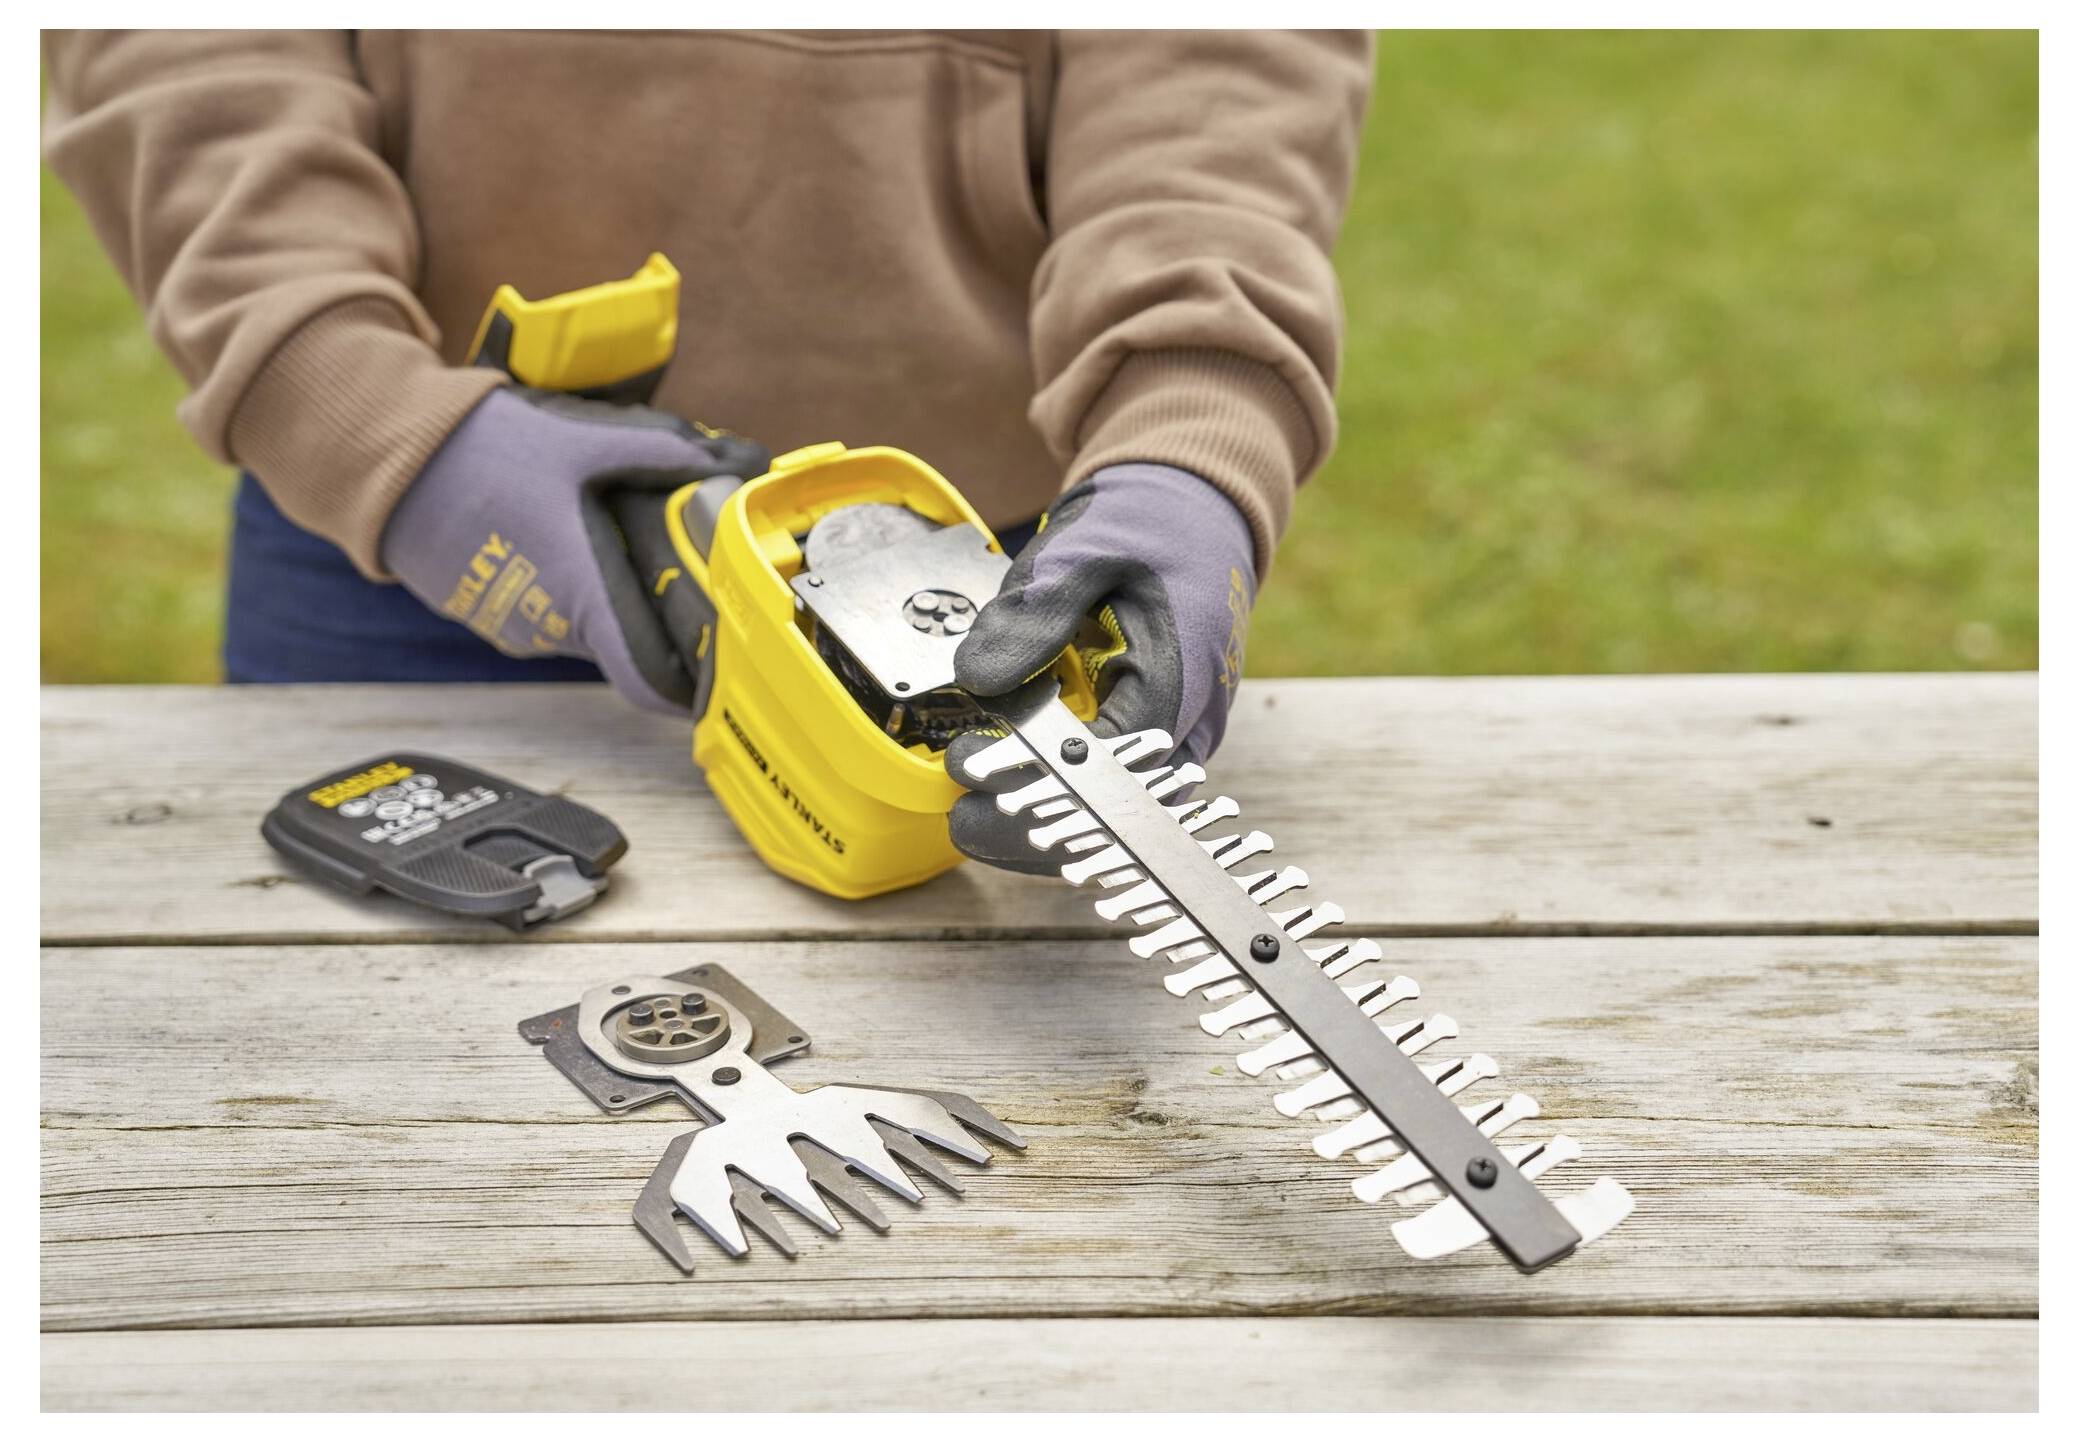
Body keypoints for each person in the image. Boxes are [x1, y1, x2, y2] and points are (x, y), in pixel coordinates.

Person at [44, 29, 1373, 870]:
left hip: (995, 575)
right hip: (415, 520)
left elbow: (1218, 80)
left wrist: (1189, 448)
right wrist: (351, 401)